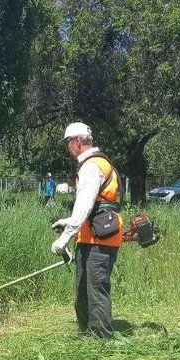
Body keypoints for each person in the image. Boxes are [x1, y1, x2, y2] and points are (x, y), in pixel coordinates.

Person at [51, 122, 122, 339]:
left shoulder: (92, 166)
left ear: (77, 141)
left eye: (67, 144)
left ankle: (102, 340)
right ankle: (86, 334)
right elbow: (89, 207)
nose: (67, 149)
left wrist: (63, 239)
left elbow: (84, 207)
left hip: (101, 240)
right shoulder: (92, 164)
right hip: (90, 237)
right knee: (83, 291)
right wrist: (67, 221)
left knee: (96, 291)